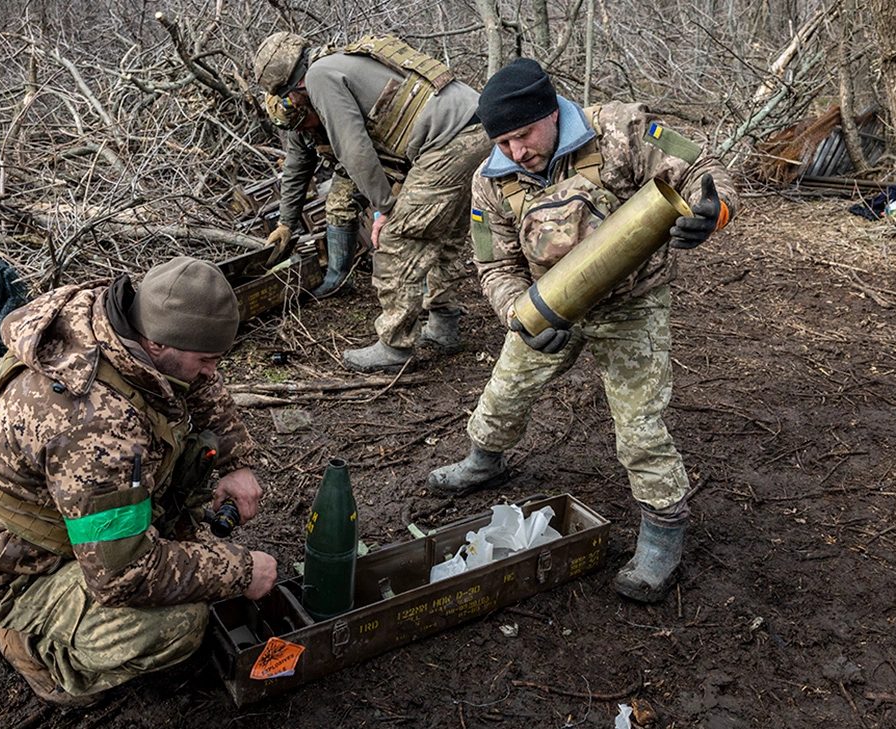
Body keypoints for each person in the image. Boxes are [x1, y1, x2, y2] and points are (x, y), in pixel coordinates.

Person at [427, 58, 737, 604]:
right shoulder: (491, 181)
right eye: (502, 142)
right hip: (552, 304)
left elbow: (701, 166)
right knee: (504, 389)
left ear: (552, 113)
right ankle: (484, 460)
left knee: (639, 427)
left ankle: (663, 531)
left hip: (631, 305)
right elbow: (494, 268)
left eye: (523, 136)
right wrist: (516, 316)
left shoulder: (619, 130)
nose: (515, 153)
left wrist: (716, 209)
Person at [0, 257, 278, 707]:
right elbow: (122, 576)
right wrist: (241, 571)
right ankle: (40, 655)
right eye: (206, 359)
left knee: (189, 476)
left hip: (43, 518)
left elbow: (197, 384)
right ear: (156, 343)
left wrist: (233, 461)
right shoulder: (98, 429)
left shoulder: (114, 326)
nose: (212, 371)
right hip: (1, 571)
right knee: (178, 625)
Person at [253, 32, 492, 372]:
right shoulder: (347, 59)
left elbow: (355, 150)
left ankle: (394, 347)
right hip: (479, 125)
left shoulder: (320, 77)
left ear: (291, 86)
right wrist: (286, 222)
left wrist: (384, 209)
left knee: (396, 239)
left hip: (446, 143)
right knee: (444, 237)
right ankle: (443, 326)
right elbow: (298, 166)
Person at [262, 92, 371, 297]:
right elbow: (296, 171)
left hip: (384, 155)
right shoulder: (299, 128)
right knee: (338, 207)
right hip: (352, 166)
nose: (303, 130)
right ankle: (337, 279)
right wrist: (285, 224)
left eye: (303, 123)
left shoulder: (335, 107)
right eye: (296, 128)